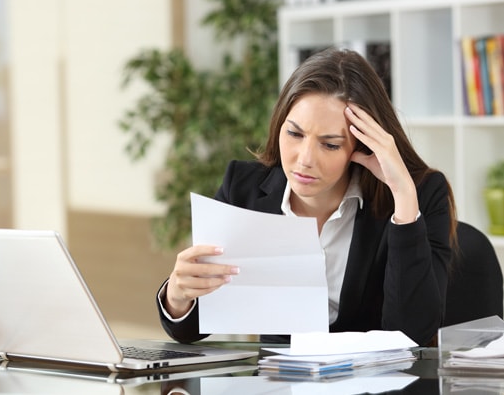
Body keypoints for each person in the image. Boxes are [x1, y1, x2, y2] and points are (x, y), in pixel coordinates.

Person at [155, 47, 458, 347]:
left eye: (330, 144)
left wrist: (403, 195)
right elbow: (193, 328)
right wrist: (178, 296)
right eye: (295, 134)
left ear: (363, 145)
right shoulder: (244, 188)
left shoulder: (418, 194)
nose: (304, 160)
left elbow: (412, 333)